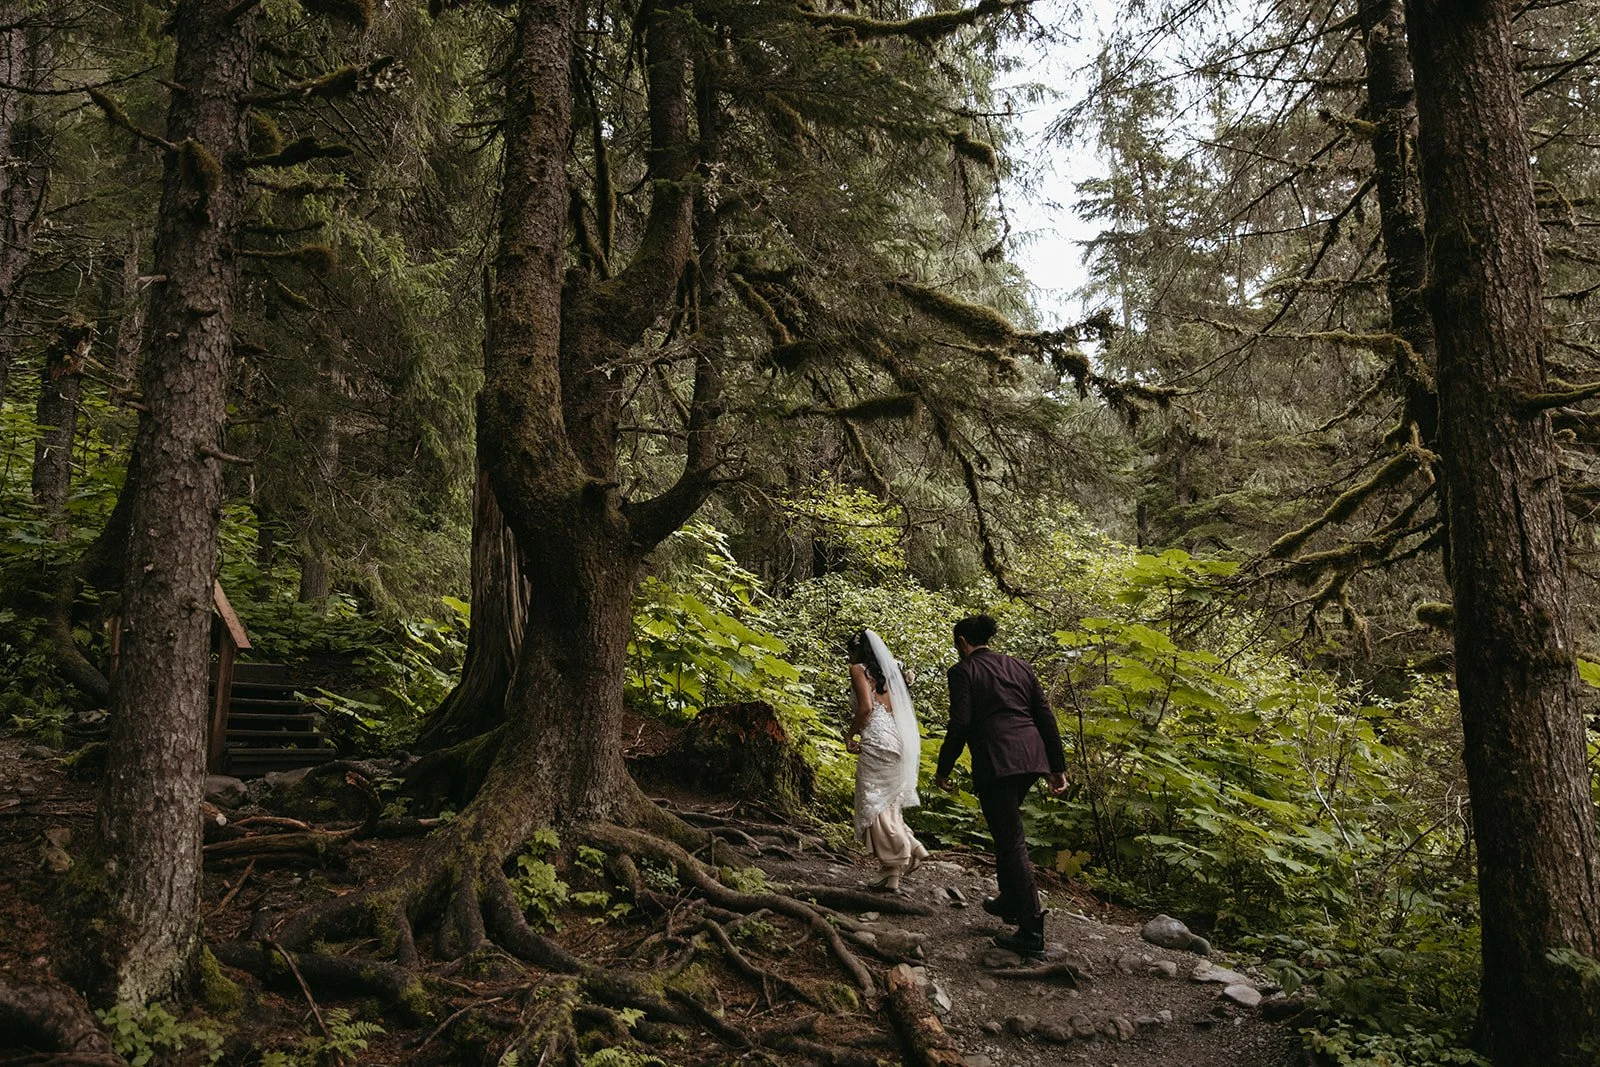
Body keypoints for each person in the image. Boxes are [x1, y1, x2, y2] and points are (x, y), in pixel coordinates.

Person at [935, 614, 1067, 956]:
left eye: (957, 645)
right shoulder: (1021, 667)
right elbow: (1044, 716)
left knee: (1010, 841)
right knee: (1006, 833)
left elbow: (961, 722)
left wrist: (943, 769)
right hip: (1031, 758)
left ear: (963, 642)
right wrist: (1057, 768)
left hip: (997, 761)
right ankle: (1010, 902)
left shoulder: (963, 671)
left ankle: (1031, 930)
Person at [844, 629, 929, 891]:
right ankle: (901, 863)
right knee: (887, 801)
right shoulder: (892, 673)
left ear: (859, 650)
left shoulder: (858, 669)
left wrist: (850, 734)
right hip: (898, 740)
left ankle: (901, 852)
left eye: (851, 651)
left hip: (878, 739)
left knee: (872, 801)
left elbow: (866, 708)